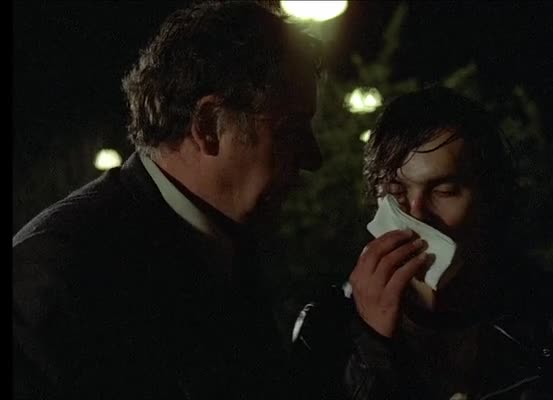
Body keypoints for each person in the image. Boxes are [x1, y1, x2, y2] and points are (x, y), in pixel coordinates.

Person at [13, 2, 323, 398]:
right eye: (290, 130)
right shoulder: (55, 278)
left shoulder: (221, 239)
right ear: (208, 125)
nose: (313, 157)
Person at [292, 87, 553, 399]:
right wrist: (373, 346)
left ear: (490, 199)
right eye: (395, 192)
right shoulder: (328, 328)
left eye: (444, 191)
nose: (416, 213)